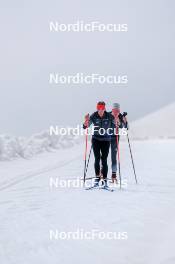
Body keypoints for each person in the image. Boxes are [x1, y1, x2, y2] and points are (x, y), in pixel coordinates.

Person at [83, 101, 115, 188]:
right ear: (97, 108)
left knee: (104, 159)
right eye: (98, 108)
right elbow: (86, 126)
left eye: (102, 108)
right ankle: (97, 178)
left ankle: (104, 180)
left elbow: (116, 125)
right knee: (97, 159)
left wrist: (117, 122)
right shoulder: (94, 115)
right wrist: (86, 121)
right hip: (96, 139)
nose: (100, 110)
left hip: (106, 140)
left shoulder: (109, 116)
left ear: (104, 108)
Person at [110, 103, 128, 183]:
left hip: (116, 138)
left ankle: (114, 175)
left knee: (114, 157)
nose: (116, 112)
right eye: (114, 110)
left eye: (117, 110)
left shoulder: (121, 116)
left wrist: (124, 122)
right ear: (112, 110)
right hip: (106, 137)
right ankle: (101, 173)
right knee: (103, 155)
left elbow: (126, 127)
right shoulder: (107, 115)